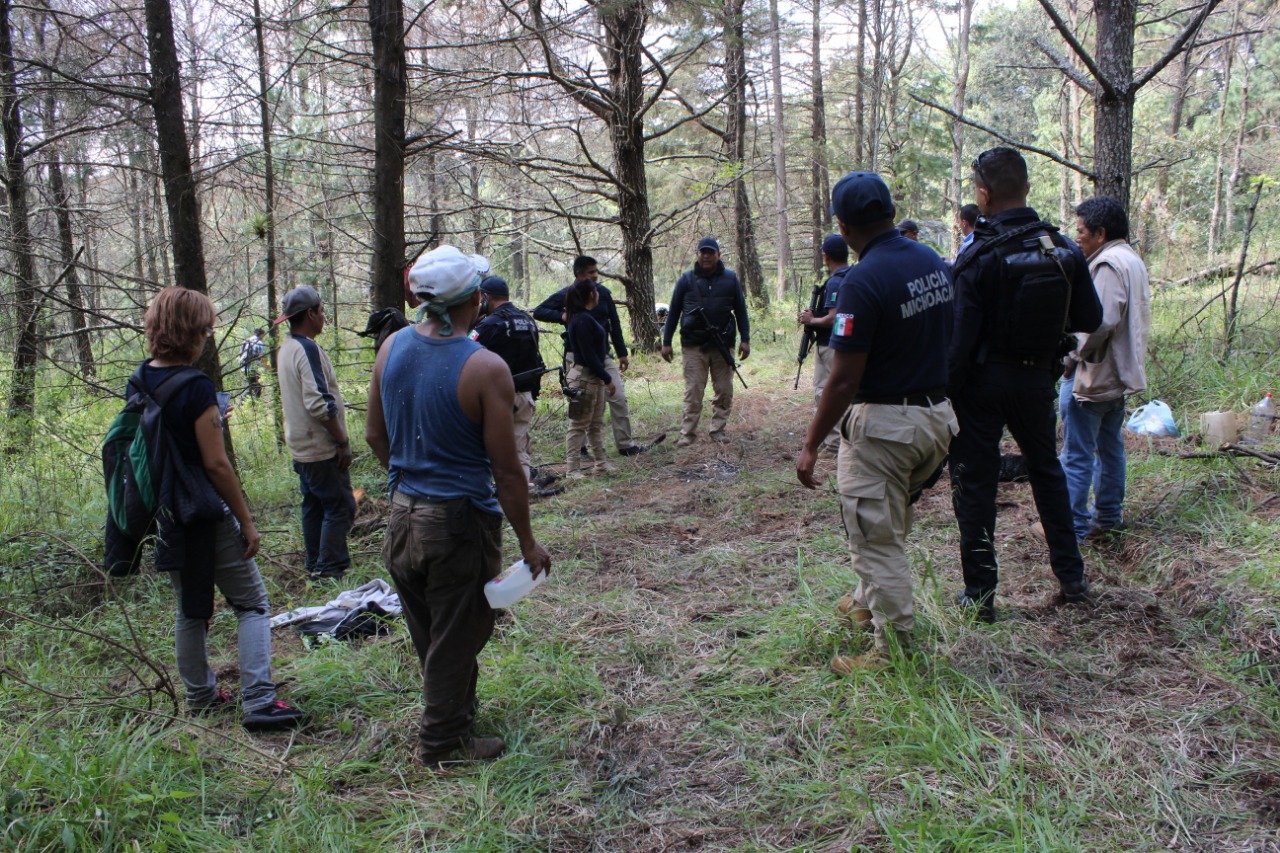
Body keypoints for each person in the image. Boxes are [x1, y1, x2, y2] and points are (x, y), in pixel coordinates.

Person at [365, 244, 552, 768]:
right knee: (459, 631)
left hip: (403, 515)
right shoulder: (484, 367)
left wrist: (409, 484)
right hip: (457, 521)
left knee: (432, 628)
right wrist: (528, 542)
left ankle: (456, 716)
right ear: (474, 298)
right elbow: (507, 470)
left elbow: (376, 436)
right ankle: (443, 742)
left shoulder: (391, 349)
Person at [796, 173, 957, 672]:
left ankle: (896, 651)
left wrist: (810, 445)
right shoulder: (931, 260)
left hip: (887, 426)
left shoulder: (864, 280)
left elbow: (843, 380)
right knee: (885, 518)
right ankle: (866, 601)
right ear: (890, 210)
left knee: (873, 536)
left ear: (843, 226)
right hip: (935, 419)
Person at [126, 288, 303, 730]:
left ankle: (201, 696)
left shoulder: (142, 377)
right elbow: (217, 464)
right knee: (252, 605)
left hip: (165, 513)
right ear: (190, 331)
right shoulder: (196, 386)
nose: (208, 334)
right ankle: (260, 701)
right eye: (205, 327)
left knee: (190, 607)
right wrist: (245, 521)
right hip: (203, 510)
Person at [948, 147, 1102, 623]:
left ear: (984, 194)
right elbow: (1090, 318)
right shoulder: (1062, 248)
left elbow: (959, 342)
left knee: (975, 484)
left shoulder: (977, 256)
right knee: (1048, 474)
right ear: (1028, 188)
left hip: (982, 385)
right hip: (1037, 379)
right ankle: (1072, 578)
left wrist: (946, 394)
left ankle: (980, 596)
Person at [1056, 195, 1150, 542]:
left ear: (1100, 232)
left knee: (1077, 454)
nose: (1076, 236)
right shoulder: (1131, 260)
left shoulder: (1109, 264)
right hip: (1118, 376)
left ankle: (1073, 529)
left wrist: (1070, 359)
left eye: (1081, 230)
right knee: (1110, 448)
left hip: (1096, 376)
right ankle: (1108, 517)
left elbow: (1101, 322)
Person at [275, 286, 355, 582]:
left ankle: (314, 563)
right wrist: (341, 441)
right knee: (340, 505)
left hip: (300, 443)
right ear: (310, 314)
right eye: (321, 311)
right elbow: (319, 403)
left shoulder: (287, 347)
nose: (324, 317)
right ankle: (329, 568)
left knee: (313, 504)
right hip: (318, 446)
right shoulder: (306, 349)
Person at [534, 256, 646, 456]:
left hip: (603, 355)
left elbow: (614, 322)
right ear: (579, 274)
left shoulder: (603, 293)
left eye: (596, 271)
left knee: (618, 397)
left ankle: (626, 445)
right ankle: (580, 448)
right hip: (575, 357)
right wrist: (561, 316)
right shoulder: (567, 295)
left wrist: (622, 353)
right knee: (580, 401)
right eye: (591, 272)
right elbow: (540, 311)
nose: (596, 275)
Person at [471, 275, 561, 496]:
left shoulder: (488, 325)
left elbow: (467, 353)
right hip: (524, 393)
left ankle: (499, 488)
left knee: (486, 445)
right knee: (519, 443)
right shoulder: (527, 320)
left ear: (485, 297)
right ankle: (520, 486)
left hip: (494, 397)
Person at [661, 237, 751, 446]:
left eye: (711, 252)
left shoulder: (730, 279)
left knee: (724, 390)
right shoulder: (686, 279)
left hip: (722, 344)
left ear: (718, 255)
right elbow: (674, 312)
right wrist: (666, 342)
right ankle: (687, 434)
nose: (706, 256)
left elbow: (741, 310)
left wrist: (745, 339)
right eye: (703, 252)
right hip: (693, 345)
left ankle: (718, 431)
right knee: (693, 391)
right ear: (697, 254)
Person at [798, 234, 852, 454]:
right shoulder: (853, 276)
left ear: (826, 256)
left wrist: (812, 320)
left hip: (830, 345)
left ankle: (833, 444)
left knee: (825, 392)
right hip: (848, 344)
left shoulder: (835, 282)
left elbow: (833, 317)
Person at [563, 278, 617, 478]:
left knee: (595, 424)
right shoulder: (581, 320)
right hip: (585, 377)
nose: (598, 294)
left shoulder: (583, 317)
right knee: (578, 424)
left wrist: (603, 378)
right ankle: (572, 469)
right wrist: (607, 378)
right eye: (595, 290)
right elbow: (588, 355)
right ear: (589, 295)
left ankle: (601, 464)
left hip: (594, 377)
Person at [238, 327, 266, 398]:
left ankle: (248, 402)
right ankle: (247, 402)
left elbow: (239, 355)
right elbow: (263, 357)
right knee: (256, 387)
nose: (263, 337)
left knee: (253, 384)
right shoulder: (259, 343)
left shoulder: (246, 341)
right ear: (261, 334)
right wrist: (269, 368)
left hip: (244, 367)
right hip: (252, 368)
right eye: (263, 335)